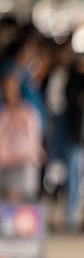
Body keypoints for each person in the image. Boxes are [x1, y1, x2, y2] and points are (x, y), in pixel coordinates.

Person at [0, 71, 44, 202]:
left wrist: (36, 154)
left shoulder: (27, 111)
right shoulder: (3, 112)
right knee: (8, 200)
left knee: (20, 202)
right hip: (6, 161)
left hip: (24, 160)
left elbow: (34, 134)